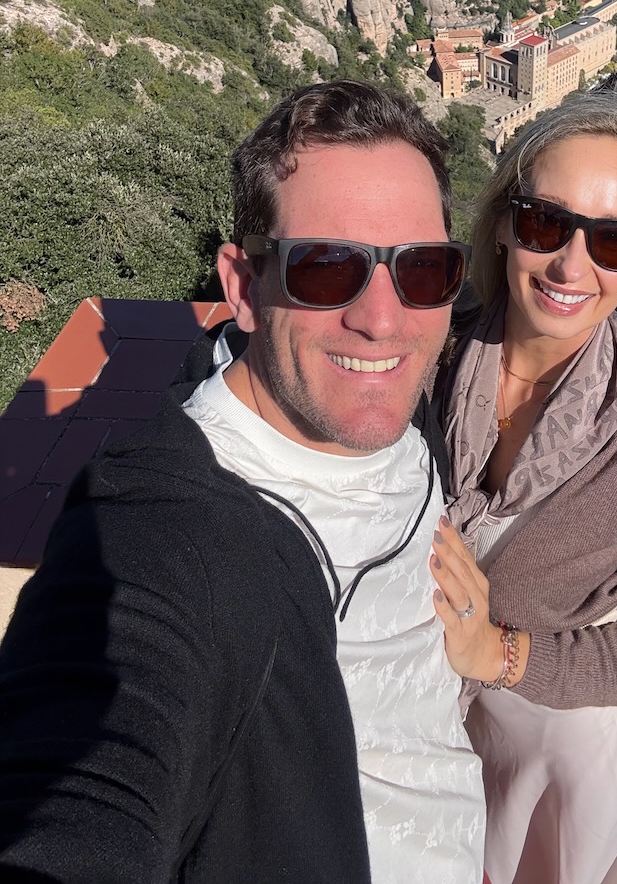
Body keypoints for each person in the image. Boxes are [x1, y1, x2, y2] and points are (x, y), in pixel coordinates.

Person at [0, 81, 485, 884]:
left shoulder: (407, 411)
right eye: (327, 269)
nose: (383, 320)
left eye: (425, 269)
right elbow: (88, 777)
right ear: (243, 287)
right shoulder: (168, 526)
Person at [428, 79, 617, 884]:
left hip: (565, 735)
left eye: (614, 241)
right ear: (503, 225)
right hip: (427, 703)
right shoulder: (434, 355)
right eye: (545, 222)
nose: (571, 263)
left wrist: (497, 653)